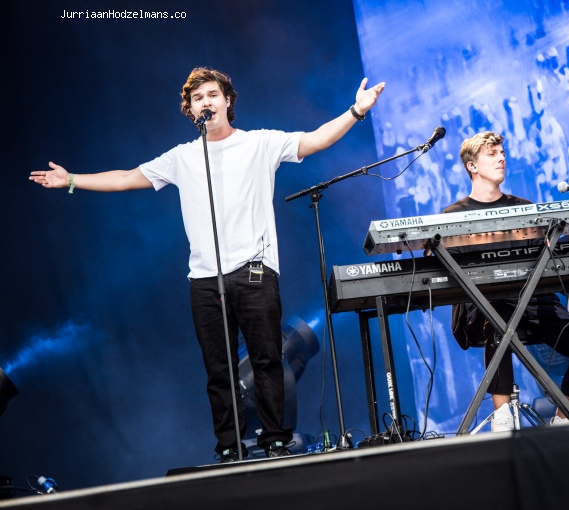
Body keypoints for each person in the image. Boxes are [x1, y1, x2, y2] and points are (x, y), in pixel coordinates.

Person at [29, 67, 385, 462]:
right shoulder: (182, 157)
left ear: (228, 101)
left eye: (213, 95)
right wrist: (73, 180)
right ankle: (230, 446)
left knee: (266, 358)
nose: (206, 103)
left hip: (254, 270)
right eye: (198, 98)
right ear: (190, 109)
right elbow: (129, 177)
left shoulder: (259, 143)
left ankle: (276, 440)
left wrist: (356, 110)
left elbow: (315, 140)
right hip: (204, 278)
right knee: (219, 369)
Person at [447, 131, 569, 429]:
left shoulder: (524, 206)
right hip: (487, 307)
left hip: (533, 303)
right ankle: (502, 417)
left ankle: (563, 417)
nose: (502, 158)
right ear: (472, 166)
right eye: (492, 154)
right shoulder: (454, 215)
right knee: (499, 320)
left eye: (502, 152)